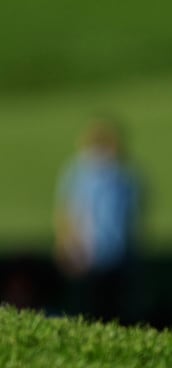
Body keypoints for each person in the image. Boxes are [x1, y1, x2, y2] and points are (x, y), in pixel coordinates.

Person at [53, 115, 143, 323]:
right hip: (89, 254)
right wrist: (66, 245)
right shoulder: (80, 173)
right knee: (88, 310)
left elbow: (130, 218)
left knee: (118, 309)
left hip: (119, 254)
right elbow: (68, 211)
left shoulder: (125, 176)